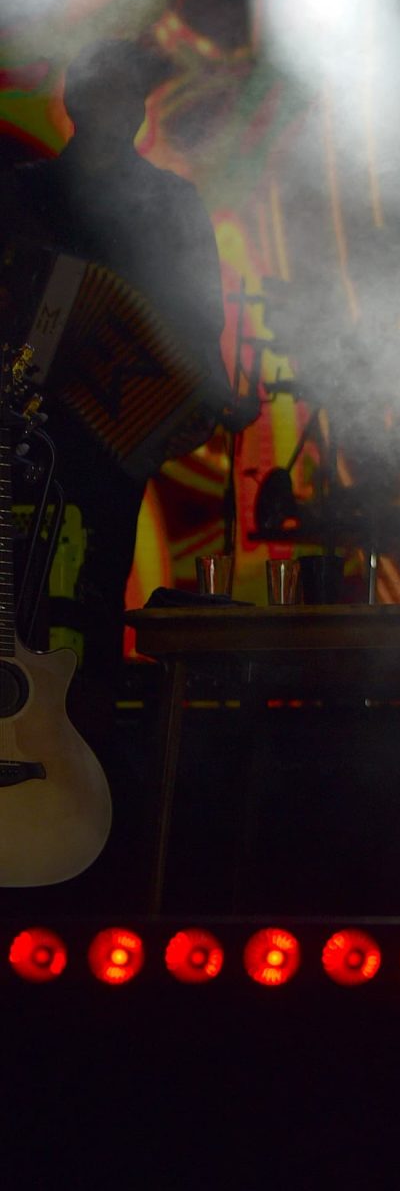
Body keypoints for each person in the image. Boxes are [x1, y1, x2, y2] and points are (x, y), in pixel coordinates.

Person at [1, 39, 226, 740]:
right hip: (20, 423)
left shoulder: (171, 203)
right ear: (76, 102)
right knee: (13, 592)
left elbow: (202, 316)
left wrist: (199, 385)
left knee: (99, 592)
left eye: (131, 97)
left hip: (116, 430)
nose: (121, 110)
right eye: (108, 95)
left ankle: (85, 742)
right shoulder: (20, 193)